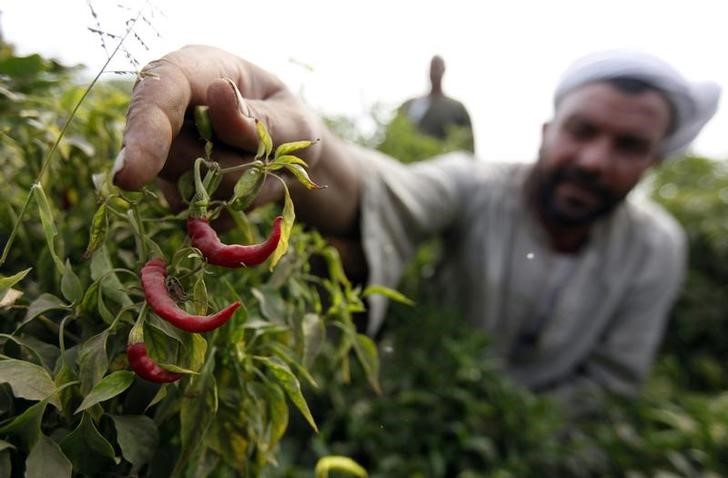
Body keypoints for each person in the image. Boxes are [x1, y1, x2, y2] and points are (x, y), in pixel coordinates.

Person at [112, 45, 720, 406]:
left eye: (628, 144)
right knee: (341, 250)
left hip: (516, 448)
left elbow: (610, 389)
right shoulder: (476, 184)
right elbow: (379, 189)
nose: (593, 160)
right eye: (583, 131)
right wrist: (304, 154)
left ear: (654, 162)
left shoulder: (656, 247)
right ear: (547, 132)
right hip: (412, 390)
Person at [398, 55, 474, 151]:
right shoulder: (410, 104)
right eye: (432, 68)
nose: (434, 72)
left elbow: (468, 143)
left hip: (443, 160)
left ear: (443, 70)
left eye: (437, 68)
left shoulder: (456, 108)